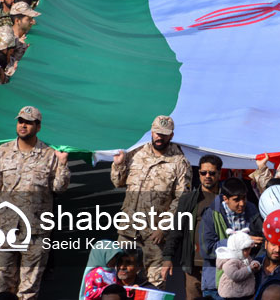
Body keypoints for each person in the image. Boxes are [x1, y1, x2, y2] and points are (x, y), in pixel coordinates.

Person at [0, 107, 69, 300]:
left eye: (28, 122)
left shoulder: (50, 154)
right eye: (20, 121)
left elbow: (59, 188)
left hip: (36, 231)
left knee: (29, 288)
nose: (23, 125)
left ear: (38, 127)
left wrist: (62, 164)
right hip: (6, 228)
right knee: (2, 284)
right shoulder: (3, 151)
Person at [109, 115, 192, 288]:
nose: (159, 137)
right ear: (151, 132)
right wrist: (118, 165)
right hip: (128, 232)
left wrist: (163, 227)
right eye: (157, 133)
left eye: (164, 134)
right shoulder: (136, 153)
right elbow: (118, 182)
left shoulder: (179, 162)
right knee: (123, 282)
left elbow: (182, 199)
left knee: (154, 285)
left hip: (154, 237)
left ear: (171, 136)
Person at [160, 154, 223, 299]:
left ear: (219, 174)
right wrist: (167, 258)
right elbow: (176, 230)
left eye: (212, 173)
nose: (207, 176)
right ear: (198, 173)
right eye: (203, 173)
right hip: (193, 265)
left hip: (219, 266)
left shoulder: (226, 198)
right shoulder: (188, 200)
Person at [199, 177, 262, 297]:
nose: (242, 203)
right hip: (217, 285)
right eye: (236, 200)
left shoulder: (252, 210)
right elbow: (206, 249)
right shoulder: (211, 214)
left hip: (247, 285)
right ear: (225, 199)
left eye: (244, 198)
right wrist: (241, 240)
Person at [216, 231, 258, 300]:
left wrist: (255, 264)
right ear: (237, 250)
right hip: (232, 295)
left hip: (244, 293)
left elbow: (251, 263)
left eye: (249, 249)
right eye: (246, 249)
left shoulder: (246, 258)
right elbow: (235, 275)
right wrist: (249, 269)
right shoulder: (230, 262)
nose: (249, 251)